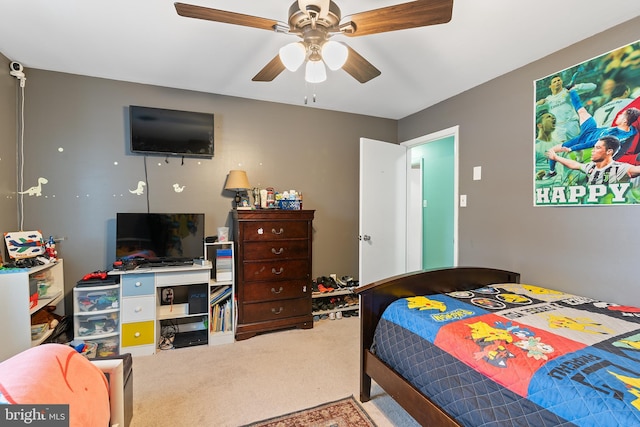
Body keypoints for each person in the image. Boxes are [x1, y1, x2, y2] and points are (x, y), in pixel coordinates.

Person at [543, 88, 639, 179]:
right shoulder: (632, 129)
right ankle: (572, 90)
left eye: (621, 116)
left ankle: (552, 172)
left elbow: (590, 143)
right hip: (592, 129)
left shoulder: (615, 137)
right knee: (581, 110)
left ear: (625, 121)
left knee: (553, 150)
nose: (619, 115)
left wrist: (571, 148)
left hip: (585, 139)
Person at [546, 135, 640, 185]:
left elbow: (636, 170)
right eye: (594, 147)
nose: (593, 151)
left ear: (609, 151)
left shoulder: (620, 168)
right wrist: (555, 157)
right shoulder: (591, 166)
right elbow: (574, 164)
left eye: (598, 148)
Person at [536, 74, 596, 142]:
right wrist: (538, 103)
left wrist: (574, 88)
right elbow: (533, 110)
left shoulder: (568, 92)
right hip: (558, 127)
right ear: (550, 86)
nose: (557, 82)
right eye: (554, 82)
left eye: (558, 80)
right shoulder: (548, 100)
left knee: (577, 147)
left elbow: (593, 86)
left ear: (561, 81)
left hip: (571, 123)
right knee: (561, 148)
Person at [535, 111, 558, 180]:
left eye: (553, 117)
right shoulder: (535, 147)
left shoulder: (558, 145)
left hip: (559, 186)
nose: (553, 118)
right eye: (548, 117)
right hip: (542, 187)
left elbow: (568, 169)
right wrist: (535, 176)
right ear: (540, 125)